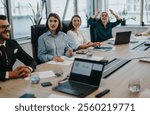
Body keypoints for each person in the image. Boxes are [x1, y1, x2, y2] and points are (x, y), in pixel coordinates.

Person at [0, 15, 37, 81]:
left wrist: (28, 68)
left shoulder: (12, 44)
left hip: (10, 83)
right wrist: (10, 74)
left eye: (8, 26)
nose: (7, 29)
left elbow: (31, 60)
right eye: (3, 27)